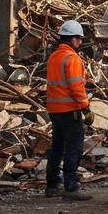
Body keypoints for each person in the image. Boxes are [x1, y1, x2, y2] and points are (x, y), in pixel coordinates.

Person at [45, 20, 93, 201]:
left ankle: (52, 185)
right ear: (73, 39)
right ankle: (71, 187)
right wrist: (85, 107)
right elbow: (75, 86)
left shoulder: (54, 56)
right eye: (79, 39)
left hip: (54, 109)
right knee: (74, 148)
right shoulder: (71, 58)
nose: (80, 42)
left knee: (57, 147)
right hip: (69, 110)